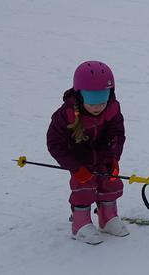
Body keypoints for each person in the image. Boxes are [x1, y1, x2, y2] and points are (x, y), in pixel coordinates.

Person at [46, 61, 128, 245]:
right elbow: (54, 143)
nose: (98, 106)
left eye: (103, 99)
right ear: (80, 96)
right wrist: (74, 167)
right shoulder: (67, 114)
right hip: (79, 160)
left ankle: (107, 218)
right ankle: (80, 223)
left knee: (111, 182)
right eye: (92, 100)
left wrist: (113, 158)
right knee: (84, 186)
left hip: (103, 155)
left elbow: (117, 134)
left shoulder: (112, 108)